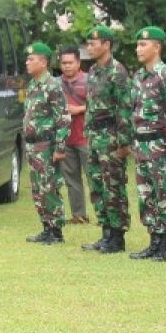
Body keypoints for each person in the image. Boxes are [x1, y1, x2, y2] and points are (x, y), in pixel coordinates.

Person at [128, 26, 166, 262]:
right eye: (138, 45)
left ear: (157, 47)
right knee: (146, 195)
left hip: (161, 145)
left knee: (165, 193)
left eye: (143, 44)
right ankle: (154, 241)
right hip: (142, 146)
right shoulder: (139, 77)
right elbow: (134, 111)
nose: (138, 49)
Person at [80, 26, 133, 254]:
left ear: (107, 45)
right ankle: (106, 232)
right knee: (97, 186)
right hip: (94, 137)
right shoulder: (93, 71)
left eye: (94, 43)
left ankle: (117, 236)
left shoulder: (117, 72)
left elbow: (124, 107)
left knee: (113, 188)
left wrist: (124, 142)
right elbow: (91, 105)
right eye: (88, 43)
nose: (90, 47)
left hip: (111, 137)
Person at [22, 43, 70, 245]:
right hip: (33, 146)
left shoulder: (52, 85)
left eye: (31, 59)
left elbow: (63, 118)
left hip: (47, 145)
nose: (27, 62)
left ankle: (56, 231)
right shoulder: (33, 85)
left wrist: (59, 148)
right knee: (38, 188)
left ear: (43, 62)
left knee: (49, 187)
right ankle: (46, 227)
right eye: (27, 59)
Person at [58, 46, 91, 224]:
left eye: (70, 62)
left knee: (94, 177)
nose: (67, 66)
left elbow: (101, 104)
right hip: (66, 138)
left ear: (78, 63)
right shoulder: (56, 83)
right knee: (71, 179)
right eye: (63, 63)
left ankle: (104, 215)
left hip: (85, 136)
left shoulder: (89, 81)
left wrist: (79, 109)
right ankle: (79, 215)